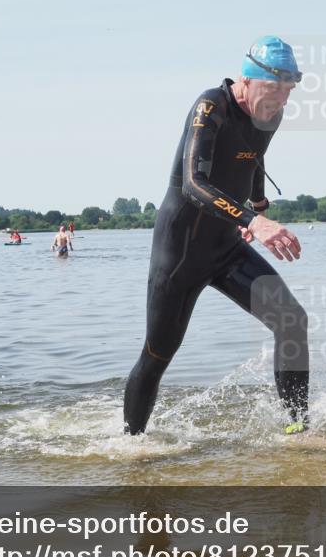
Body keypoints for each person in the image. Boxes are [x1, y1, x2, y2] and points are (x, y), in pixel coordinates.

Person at [123, 35, 308, 437]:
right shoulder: (211, 106)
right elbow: (193, 184)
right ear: (247, 79)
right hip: (180, 252)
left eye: (289, 90)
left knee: (292, 321)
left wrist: (259, 206)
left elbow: (254, 156)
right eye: (274, 89)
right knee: (157, 355)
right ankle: (130, 446)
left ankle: (300, 432)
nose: (281, 100)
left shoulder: (271, 114)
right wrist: (252, 222)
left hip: (226, 248)